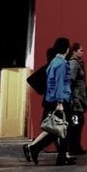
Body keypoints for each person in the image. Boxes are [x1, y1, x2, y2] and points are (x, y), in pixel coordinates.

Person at [23, 37, 73, 165]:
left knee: (56, 128)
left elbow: (51, 82)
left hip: (51, 98)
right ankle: (36, 148)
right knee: (60, 128)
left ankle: (41, 150)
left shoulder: (53, 62)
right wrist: (60, 102)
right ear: (67, 49)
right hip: (59, 100)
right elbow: (60, 83)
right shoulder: (62, 64)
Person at [66, 42, 87, 157]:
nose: (82, 52)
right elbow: (71, 81)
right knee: (76, 123)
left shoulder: (78, 63)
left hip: (79, 98)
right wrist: (74, 99)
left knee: (79, 123)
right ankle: (73, 147)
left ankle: (76, 146)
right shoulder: (73, 63)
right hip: (76, 100)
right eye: (81, 50)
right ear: (74, 51)